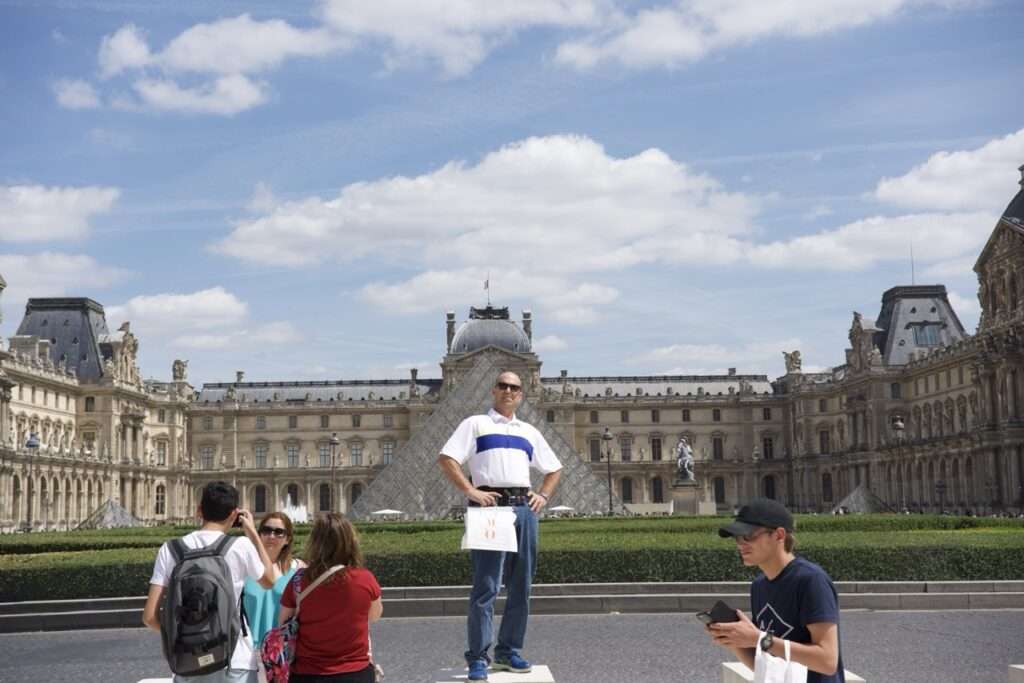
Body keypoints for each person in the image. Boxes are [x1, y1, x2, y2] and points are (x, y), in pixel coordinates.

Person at [438, 370, 563, 681]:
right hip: (490, 508)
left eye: (515, 387)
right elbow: (447, 458)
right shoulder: (475, 424)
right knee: (486, 587)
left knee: (521, 587)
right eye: (503, 385)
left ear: (522, 394)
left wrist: (544, 495)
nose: (509, 391)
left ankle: (508, 652)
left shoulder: (529, 431)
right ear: (493, 390)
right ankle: (478, 657)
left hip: (524, 509)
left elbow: (554, 468)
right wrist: (470, 491)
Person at [143, 480, 276, 683]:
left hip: (188, 661)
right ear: (234, 514)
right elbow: (269, 580)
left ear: (199, 511)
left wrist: (183, 636)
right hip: (235, 658)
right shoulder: (240, 546)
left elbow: (150, 617)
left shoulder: (170, 549)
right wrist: (253, 534)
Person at [708, 498, 844, 683]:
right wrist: (735, 641)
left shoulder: (810, 580)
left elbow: (827, 661)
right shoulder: (759, 586)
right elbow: (766, 664)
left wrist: (760, 639)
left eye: (748, 536)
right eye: (737, 538)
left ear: (779, 535)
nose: (740, 544)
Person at [278, 512, 382, 683]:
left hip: (308, 673)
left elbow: (282, 622)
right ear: (350, 541)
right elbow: (374, 615)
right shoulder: (365, 579)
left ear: (315, 542)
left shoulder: (298, 580)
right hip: (355, 672)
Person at [242, 512, 304, 647]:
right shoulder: (244, 568)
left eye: (279, 532)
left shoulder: (298, 570)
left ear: (288, 539)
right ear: (259, 534)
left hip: (280, 653)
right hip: (246, 651)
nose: (271, 536)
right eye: (266, 530)